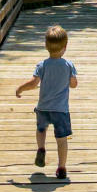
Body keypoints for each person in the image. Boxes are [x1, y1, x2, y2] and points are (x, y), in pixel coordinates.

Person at [15, 23, 77, 179]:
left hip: (43, 108)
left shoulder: (42, 65)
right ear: (65, 46)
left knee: (41, 130)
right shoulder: (68, 65)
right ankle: (61, 168)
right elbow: (74, 84)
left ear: (45, 45)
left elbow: (33, 83)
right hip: (61, 110)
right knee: (62, 140)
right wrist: (70, 81)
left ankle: (41, 148)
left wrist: (20, 89)